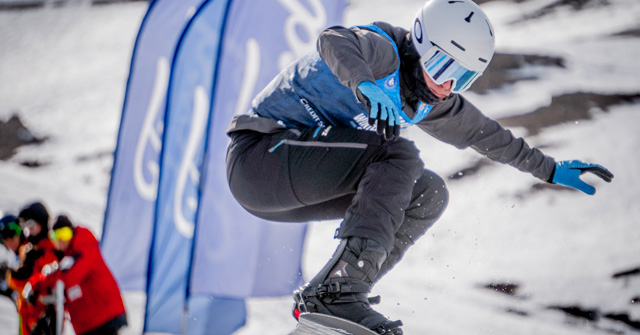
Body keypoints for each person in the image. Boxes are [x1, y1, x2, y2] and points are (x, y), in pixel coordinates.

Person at [224, 0, 614, 333]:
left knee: (428, 194)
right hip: (258, 158)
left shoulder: (433, 102)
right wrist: (363, 83)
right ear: (423, 43)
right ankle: (339, 294)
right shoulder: (383, 52)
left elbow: (489, 136)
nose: (446, 85)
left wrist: (547, 168)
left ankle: (336, 287)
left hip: (288, 190)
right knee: (398, 154)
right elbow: (333, 40)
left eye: (463, 78)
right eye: (445, 67)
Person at [30, 215, 127, 335]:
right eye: (55, 236)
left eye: (65, 234)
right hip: (92, 321)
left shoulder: (83, 246)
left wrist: (40, 284)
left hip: (104, 317)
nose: (61, 240)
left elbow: (69, 277)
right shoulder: (67, 256)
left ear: (72, 232)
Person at [8, 201, 60, 335]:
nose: (28, 230)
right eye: (26, 226)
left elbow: (52, 284)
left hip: (45, 320)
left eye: (31, 225)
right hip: (26, 318)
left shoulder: (52, 248)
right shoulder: (27, 249)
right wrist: (16, 275)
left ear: (42, 223)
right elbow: (19, 287)